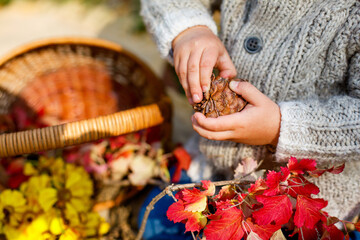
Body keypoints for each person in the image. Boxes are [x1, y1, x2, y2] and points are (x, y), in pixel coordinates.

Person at [140, 0, 360, 223]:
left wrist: (279, 128)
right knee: (151, 222)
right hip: (210, 168)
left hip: (296, 197)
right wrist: (189, 29)